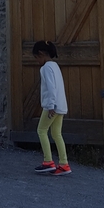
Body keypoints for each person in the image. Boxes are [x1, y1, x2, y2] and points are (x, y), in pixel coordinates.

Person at [32, 40, 71, 175]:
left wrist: (50, 105)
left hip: (52, 106)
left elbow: (51, 87)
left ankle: (48, 161)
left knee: (41, 130)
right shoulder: (55, 66)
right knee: (56, 134)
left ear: (42, 54)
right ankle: (64, 164)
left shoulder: (46, 68)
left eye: (37, 58)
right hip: (60, 106)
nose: (37, 61)